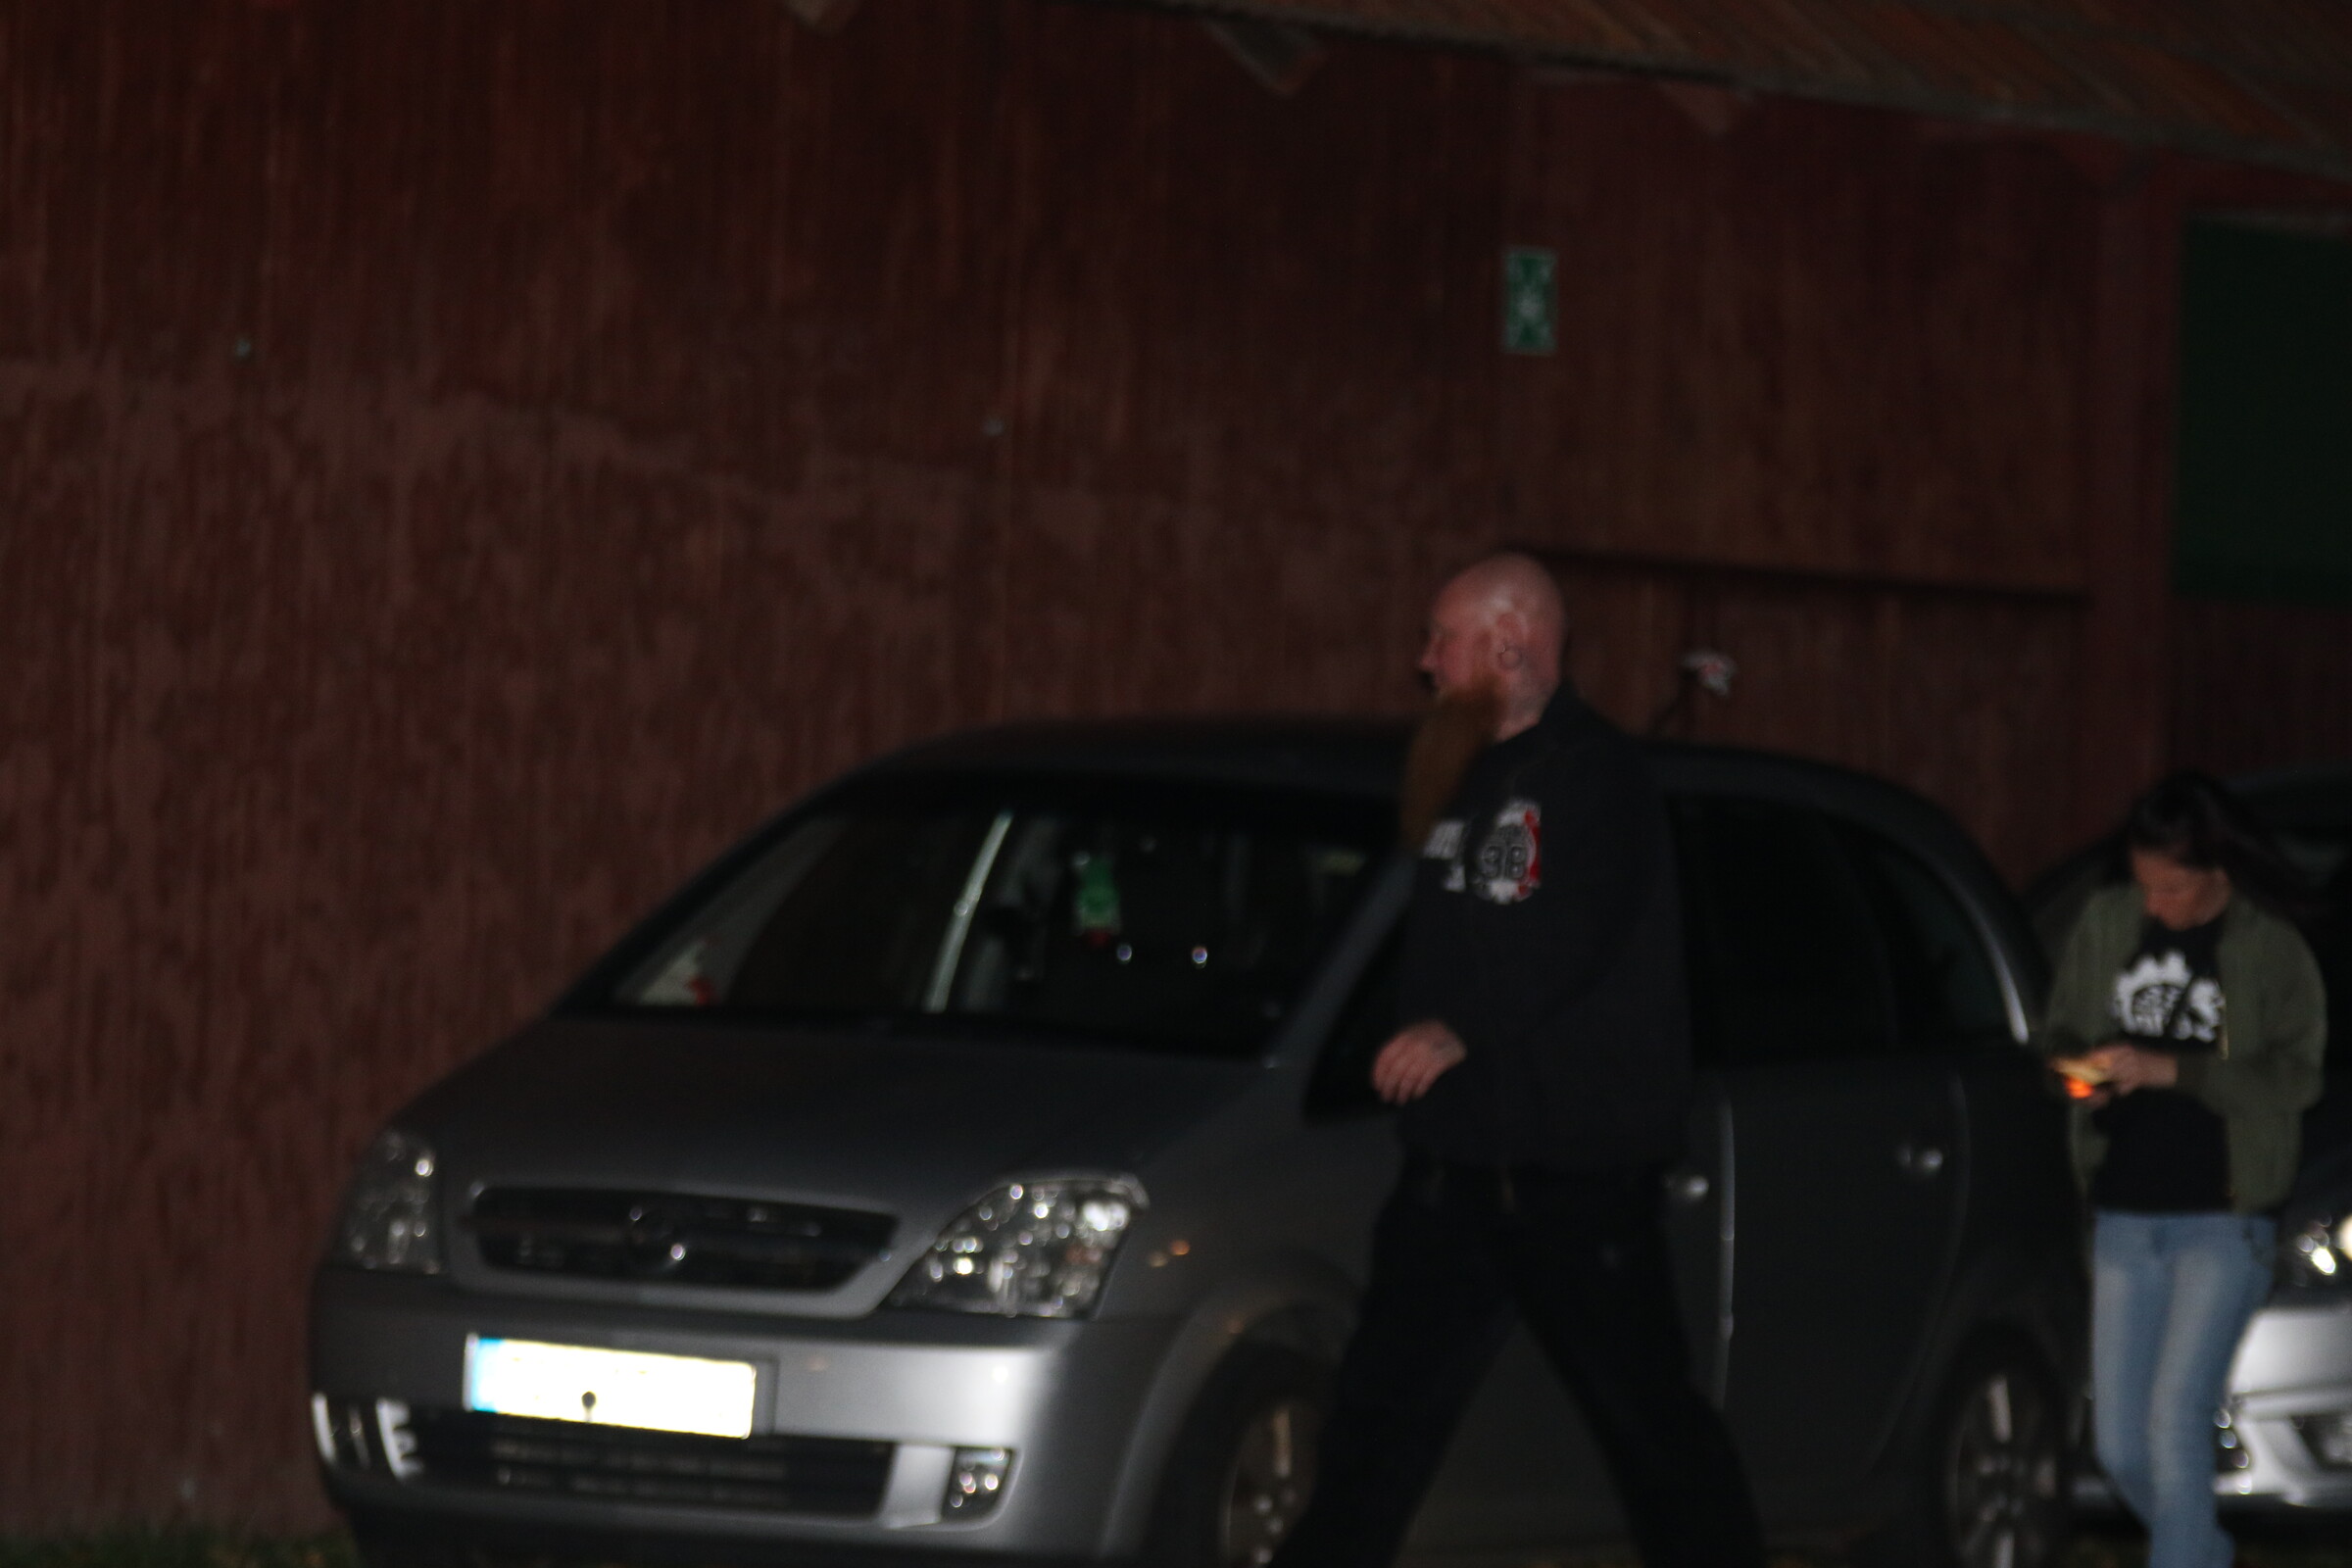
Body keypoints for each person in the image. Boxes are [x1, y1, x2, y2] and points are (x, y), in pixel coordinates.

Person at [1269, 553, 1765, 1568]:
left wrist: (1461, 1028)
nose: (1426, 662)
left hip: (1575, 1178)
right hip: (1454, 1172)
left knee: (1649, 1427)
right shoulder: (1463, 775)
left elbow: (1572, 936)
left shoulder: (1600, 779)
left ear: (1510, 644)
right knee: (1374, 1425)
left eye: (1442, 639)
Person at [2043, 771, 2328, 1568]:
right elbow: (2058, 1038)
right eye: (2145, 886)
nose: (2156, 904)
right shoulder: (2109, 922)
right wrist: (2085, 1076)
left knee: (2176, 1423)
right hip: (2124, 1215)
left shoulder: (2269, 947)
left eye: (2171, 888)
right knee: (2119, 1445)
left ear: (2217, 871)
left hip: (2223, 1219)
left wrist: (2178, 1072)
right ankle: (2201, 1552)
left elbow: (2296, 1077)